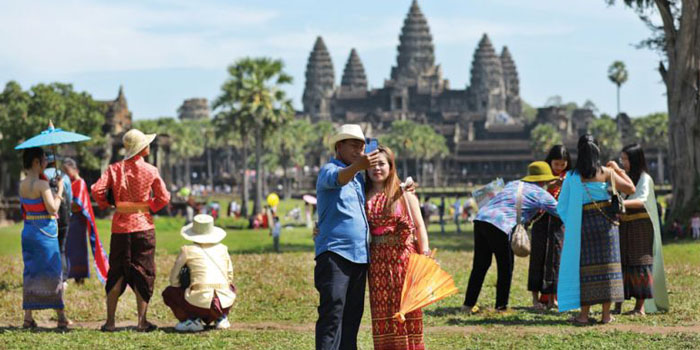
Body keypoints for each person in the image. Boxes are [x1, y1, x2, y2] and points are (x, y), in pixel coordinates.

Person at [91, 129, 171, 332]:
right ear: (142, 148)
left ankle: (110, 322)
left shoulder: (114, 168)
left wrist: (107, 203)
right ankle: (142, 322)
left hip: (120, 226)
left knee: (116, 272)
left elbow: (96, 190)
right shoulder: (151, 170)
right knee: (143, 272)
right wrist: (149, 206)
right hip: (143, 226)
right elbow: (164, 197)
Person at [557, 134, 636, 325]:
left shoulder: (572, 176)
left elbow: (562, 206)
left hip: (583, 224)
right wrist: (617, 169)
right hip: (606, 223)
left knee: (585, 268)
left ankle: (583, 315)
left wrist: (569, 222)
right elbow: (631, 188)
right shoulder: (605, 173)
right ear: (597, 151)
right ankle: (606, 315)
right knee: (608, 266)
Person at [462, 161, 560, 314]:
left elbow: (482, 196)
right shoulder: (541, 194)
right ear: (544, 180)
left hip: (481, 219)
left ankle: (467, 305)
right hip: (501, 225)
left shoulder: (512, 183)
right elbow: (561, 212)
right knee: (505, 267)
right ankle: (501, 307)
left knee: (480, 265)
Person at [314, 124, 379, 350]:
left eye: (362, 147)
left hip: (360, 256)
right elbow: (338, 179)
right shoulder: (330, 169)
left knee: (352, 316)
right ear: (339, 146)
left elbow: (382, 180)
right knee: (332, 312)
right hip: (335, 253)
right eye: (353, 145)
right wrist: (358, 166)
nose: (359, 151)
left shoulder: (359, 179)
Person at [365, 145, 430, 350]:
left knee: (407, 307)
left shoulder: (403, 193)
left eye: (382, 164)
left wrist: (425, 254)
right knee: (382, 310)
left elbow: (419, 225)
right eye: (373, 165)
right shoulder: (362, 194)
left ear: (391, 166)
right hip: (377, 264)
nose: (377, 169)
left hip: (404, 259)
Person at [19, 147, 71, 329]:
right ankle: (61, 316)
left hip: (29, 232)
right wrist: (60, 190)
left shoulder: (22, 184)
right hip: (45, 234)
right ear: (35, 162)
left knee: (31, 271)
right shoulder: (42, 185)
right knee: (53, 271)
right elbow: (53, 208)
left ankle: (28, 317)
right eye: (43, 160)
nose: (46, 163)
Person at [613, 144, 669, 315]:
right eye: (621, 159)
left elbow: (641, 201)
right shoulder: (627, 177)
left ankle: (639, 308)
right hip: (624, 227)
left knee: (640, 263)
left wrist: (619, 204)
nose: (623, 162)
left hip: (641, 228)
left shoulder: (645, 178)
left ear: (634, 159)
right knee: (621, 263)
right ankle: (617, 306)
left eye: (625, 159)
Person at [162, 214, 236, 332]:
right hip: (223, 303)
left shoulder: (187, 250)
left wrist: (185, 285)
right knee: (231, 287)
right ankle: (221, 317)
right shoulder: (223, 248)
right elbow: (230, 277)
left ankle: (191, 320)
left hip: (198, 304)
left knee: (169, 292)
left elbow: (174, 281)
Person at [528, 145, 571, 310]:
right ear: (550, 162)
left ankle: (553, 298)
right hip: (540, 220)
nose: (559, 167)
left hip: (559, 222)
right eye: (556, 164)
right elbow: (533, 194)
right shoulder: (541, 176)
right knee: (537, 257)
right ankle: (534, 298)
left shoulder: (570, 177)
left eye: (562, 164)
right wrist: (552, 185)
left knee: (556, 259)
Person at [62, 158, 109, 284]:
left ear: (75, 169)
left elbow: (79, 203)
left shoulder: (80, 183)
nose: (66, 174)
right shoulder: (67, 182)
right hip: (69, 219)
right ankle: (67, 273)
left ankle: (80, 276)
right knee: (66, 248)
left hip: (78, 220)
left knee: (78, 249)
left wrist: (66, 203)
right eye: (64, 171)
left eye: (67, 171)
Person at [44, 154, 73, 283]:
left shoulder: (42, 176)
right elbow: (70, 198)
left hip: (48, 217)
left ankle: (49, 276)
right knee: (62, 248)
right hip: (64, 217)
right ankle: (64, 279)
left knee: (48, 248)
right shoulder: (65, 177)